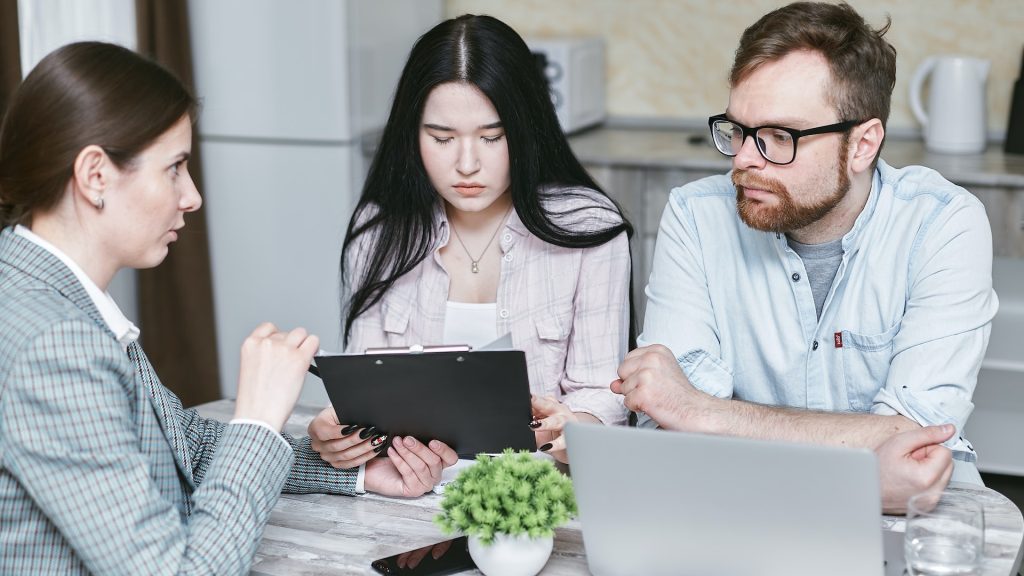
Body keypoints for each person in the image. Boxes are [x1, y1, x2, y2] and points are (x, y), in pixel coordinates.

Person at [0, 42, 456, 574]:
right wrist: (259, 418)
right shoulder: (55, 344)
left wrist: (355, 472)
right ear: (95, 175)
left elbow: (182, 443)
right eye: (174, 169)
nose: (191, 197)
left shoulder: (45, 292)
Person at [612, 1, 997, 499]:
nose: (745, 161)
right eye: (739, 131)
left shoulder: (943, 223)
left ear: (863, 145)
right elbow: (670, 429)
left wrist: (705, 413)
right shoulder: (695, 217)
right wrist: (864, 452)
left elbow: (916, 446)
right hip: (730, 500)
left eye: (780, 136)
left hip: (918, 519)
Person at [308, 14, 633, 466]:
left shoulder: (587, 228)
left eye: (492, 137)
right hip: (409, 497)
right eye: (442, 138)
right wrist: (340, 434)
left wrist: (578, 424)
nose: (466, 164)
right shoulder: (380, 229)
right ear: (412, 134)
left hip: (537, 499)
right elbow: (365, 395)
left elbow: (605, 394)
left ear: (526, 130)